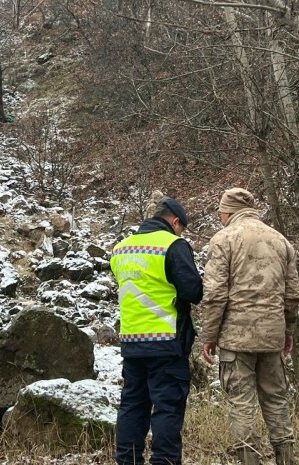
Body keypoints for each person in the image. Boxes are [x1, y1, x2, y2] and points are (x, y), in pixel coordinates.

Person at [199, 188, 299, 465]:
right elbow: (292, 294)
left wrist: (209, 335)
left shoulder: (223, 240)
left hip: (235, 339)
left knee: (242, 406)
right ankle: (286, 459)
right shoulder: (281, 241)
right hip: (272, 336)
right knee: (277, 401)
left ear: (229, 211)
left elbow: (215, 293)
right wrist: (287, 330)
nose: (220, 217)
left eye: (221, 212)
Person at [110, 196, 203, 465]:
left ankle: (127, 460)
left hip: (131, 341)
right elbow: (193, 291)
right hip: (166, 341)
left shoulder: (121, 249)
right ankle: (165, 461)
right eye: (181, 227)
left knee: (131, 406)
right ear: (175, 222)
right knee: (167, 408)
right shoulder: (173, 245)